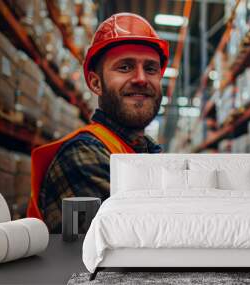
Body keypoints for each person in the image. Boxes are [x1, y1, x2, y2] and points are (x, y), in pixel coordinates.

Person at [26, 13, 169, 233]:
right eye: (125, 67)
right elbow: (133, 247)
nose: (141, 78)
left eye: (151, 69)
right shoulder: (83, 155)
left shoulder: (145, 152)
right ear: (96, 83)